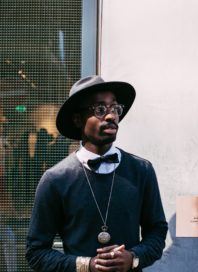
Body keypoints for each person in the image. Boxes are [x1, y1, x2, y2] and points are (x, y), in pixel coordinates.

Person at [25, 75, 168, 272]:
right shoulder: (56, 179)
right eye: (100, 109)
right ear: (78, 119)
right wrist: (86, 265)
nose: (111, 116)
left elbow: (157, 231)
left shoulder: (141, 170)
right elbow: (36, 252)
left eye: (115, 108)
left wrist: (134, 258)